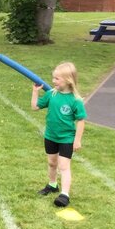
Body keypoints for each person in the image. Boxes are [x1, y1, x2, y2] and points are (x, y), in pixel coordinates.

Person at [31, 61, 86, 207]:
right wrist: (35, 92)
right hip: (50, 136)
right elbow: (35, 107)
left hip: (66, 138)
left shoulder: (76, 100)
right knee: (52, 162)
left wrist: (77, 140)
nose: (53, 81)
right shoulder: (51, 94)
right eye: (53, 78)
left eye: (57, 78)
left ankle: (64, 195)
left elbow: (81, 121)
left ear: (68, 80)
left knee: (63, 166)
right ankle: (52, 185)